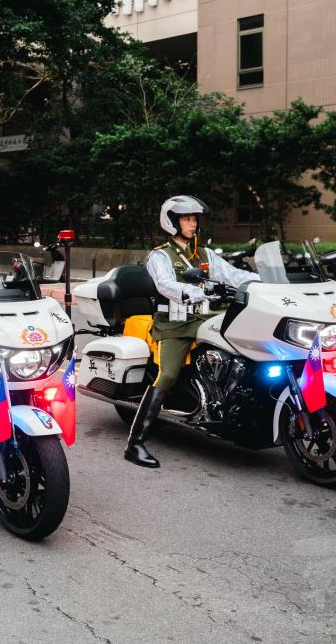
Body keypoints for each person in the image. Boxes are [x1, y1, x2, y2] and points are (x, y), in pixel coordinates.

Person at [125, 195, 261, 469]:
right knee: (168, 374)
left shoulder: (206, 254)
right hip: (174, 324)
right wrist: (191, 290)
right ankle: (135, 444)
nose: (192, 223)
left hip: (206, 317)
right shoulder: (159, 255)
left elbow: (233, 275)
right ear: (172, 222)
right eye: (187, 219)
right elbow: (164, 284)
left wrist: (267, 280)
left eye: (194, 218)